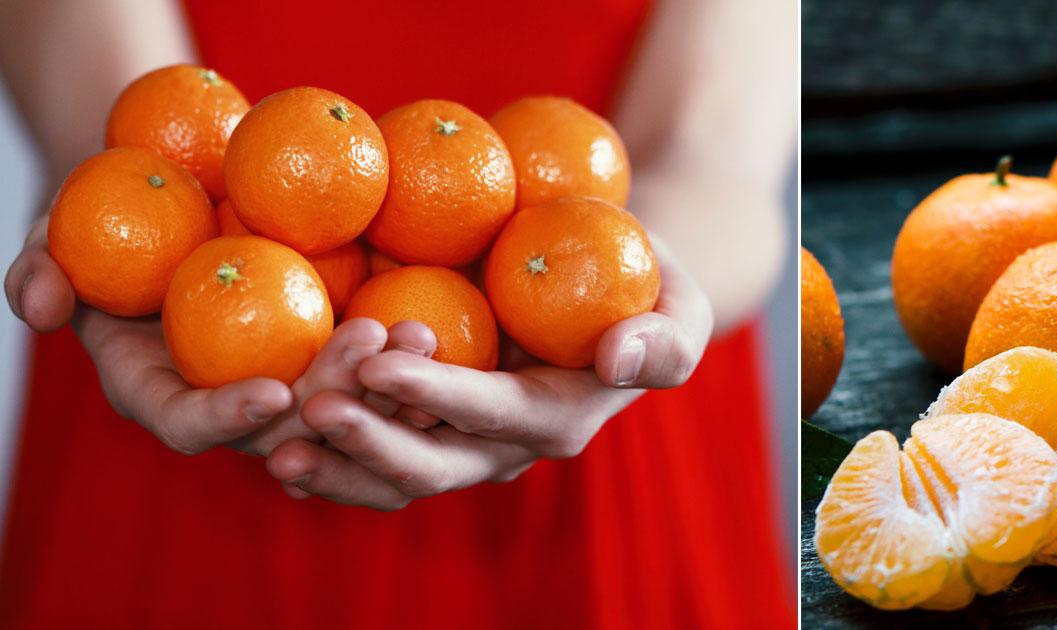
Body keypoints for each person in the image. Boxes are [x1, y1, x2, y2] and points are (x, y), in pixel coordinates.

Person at [0, 0, 795, 627]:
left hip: (583, 403)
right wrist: (134, 226)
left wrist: (641, 270)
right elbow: (134, 126)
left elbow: (711, 157)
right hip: (195, 345)